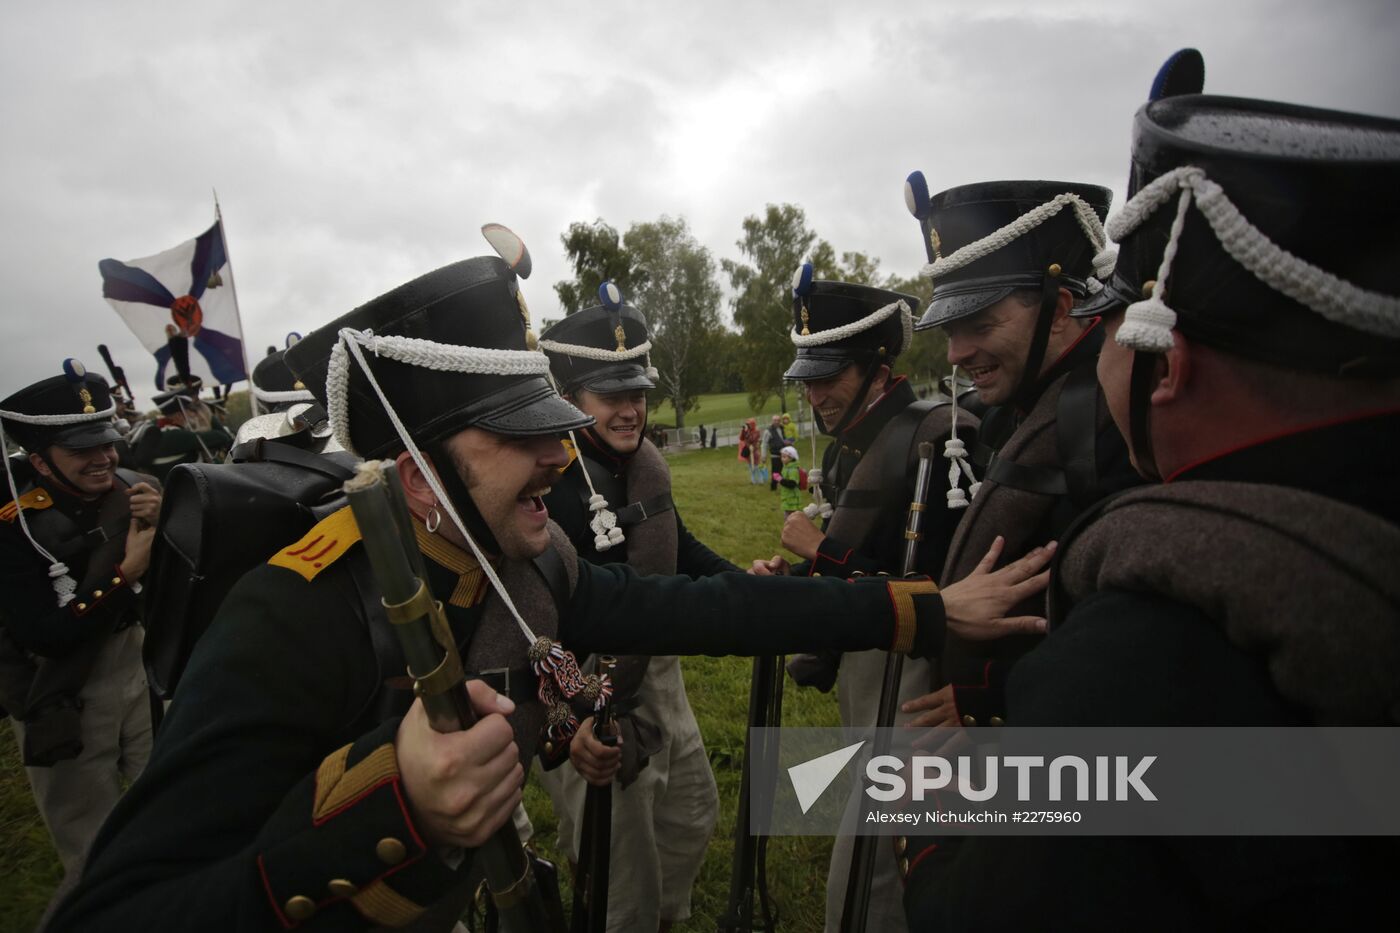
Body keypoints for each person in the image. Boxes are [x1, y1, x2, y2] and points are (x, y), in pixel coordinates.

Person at [53, 231, 1050, 931]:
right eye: (524, 436)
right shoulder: (291, 613)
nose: (559, 458)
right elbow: (119, 912)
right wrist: (394, 806)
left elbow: (695, 604)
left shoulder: (527, 558)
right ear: (417, 476)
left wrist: (915, 608)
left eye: (556, 429)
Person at [904, 55, 1400, 930]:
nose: (1105, 344)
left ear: (1169, 363)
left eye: (1117, 315)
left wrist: (941, 806)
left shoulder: (1136, 659)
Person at [751, 266, 976, 933]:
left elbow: (946, 588)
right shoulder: (856, 447)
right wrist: (795, 576)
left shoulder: (931, 437)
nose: (815, 393)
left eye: (831, 376)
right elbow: (865, 570)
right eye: (810, 377)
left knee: (869, 878)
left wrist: (820, 551)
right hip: (865, 673)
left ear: (878, 370)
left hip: (915, 685)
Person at [894, 172, 1140, 736]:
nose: (956, 354)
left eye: (980, 324)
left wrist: (1001, 697)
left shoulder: (1116, 419)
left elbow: (1133, 625)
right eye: (952, 330)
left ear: (1060, 310)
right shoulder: (1007, 411)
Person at [537, 282, 734, 932]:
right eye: (611, 395)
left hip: (657, 669)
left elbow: (680, 547)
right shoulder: (542, 483)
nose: (631, 409)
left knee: (690, 815)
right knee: (623, 874)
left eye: (638, 392)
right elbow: (521, 627)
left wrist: (750, 588)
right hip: (583, 684)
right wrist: (568, 721)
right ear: (569, 397)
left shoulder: (642, 466)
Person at [0, 361, 161, 919]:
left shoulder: (129, 488)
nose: (105, 458)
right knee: (92, 849)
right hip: (62, 687)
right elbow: (43, 634)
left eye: (108, 443)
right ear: (40, 460)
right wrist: (126, 573)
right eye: (82, 450)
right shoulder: (15, 527)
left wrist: (160, 529)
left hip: (132, 668)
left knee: (162, 805)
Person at [775, 445, 801, 517]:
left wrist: (780, 480)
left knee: (791, 517)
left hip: (792, 499)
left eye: (784, 457)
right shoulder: (786, 467)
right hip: (787, 497)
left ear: (791, 458)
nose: (782, 459)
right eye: (782, 456)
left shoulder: (793, 470)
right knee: (787, 515)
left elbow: (792, 484)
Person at [764, 414, 785, 490]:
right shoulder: (768, 431)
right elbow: (764, 444)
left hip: (784, 454)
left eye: (778, 420)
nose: (776, 422)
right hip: (775, 454)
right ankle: (773, 487)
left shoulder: (782, 429)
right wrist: (764, 456)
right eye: (775, 420)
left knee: (783, 470)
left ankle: (785, 483)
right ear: (772, 421)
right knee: (775, 471)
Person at [738, 416, 762, 483]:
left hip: (754, 451)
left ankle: (760, 480)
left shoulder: (757, 431)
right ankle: (753, 480)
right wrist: (743, 431)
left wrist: (747, 433)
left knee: (756, 466)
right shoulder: (746, 430)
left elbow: (752, 439)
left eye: (749, 424)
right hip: (748, 451)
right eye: (747, 424)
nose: (748, 426)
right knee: (750, 466)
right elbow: (741, 438)